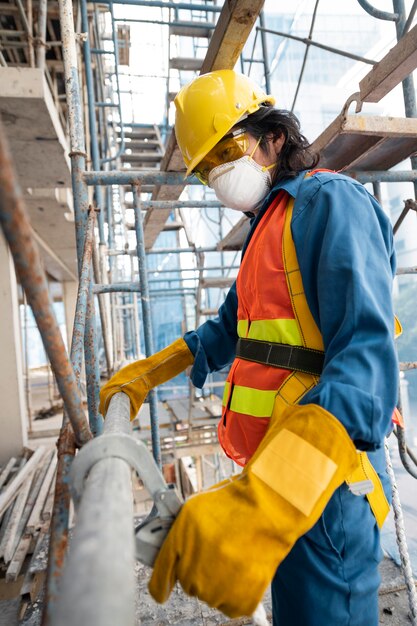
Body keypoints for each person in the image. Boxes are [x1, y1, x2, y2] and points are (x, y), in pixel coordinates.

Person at [99, 70, 398, 626]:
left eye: (227, 151)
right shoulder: (270, 226)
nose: (219, 175)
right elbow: (228, 329)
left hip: (322, 486)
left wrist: (263, 500)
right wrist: (148, 373)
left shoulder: (331, 204)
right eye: (207, 167)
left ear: (273, 138)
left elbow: (365, 371)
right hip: (276, 476)